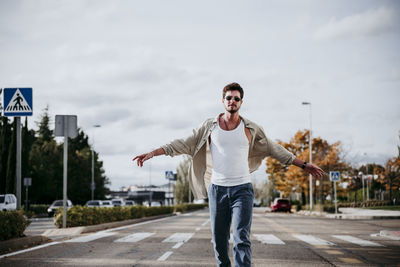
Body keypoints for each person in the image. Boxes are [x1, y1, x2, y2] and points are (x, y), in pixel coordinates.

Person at [133, 82, 325, 267]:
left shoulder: (251, 129)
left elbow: (274, 148)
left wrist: (304, 164)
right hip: (217, 190)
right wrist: (153, 153)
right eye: (229, 98)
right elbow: (181, 143)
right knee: (219, 241)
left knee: (242, 238)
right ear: (222, 100)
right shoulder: (209, 127)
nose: (232, 101)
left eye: (236, 98)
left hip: (243, 189)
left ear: (241, 102)